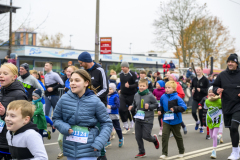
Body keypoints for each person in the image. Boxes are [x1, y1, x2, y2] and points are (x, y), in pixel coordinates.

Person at [53, 69, 113, 160]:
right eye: (71, 80)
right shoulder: (64, 99)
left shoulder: (95, 101)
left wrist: (100, 141)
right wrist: (65, 128)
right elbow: (56, 118)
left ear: (86, 83)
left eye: (77, 80)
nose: (72, 83)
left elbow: (107, 123)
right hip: (70, 148)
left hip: (89, 148)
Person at [78, 52, 109, 160]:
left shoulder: (100, 70)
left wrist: (93, 98)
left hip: (99, 105)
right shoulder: (84, 72)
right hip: (87, 105)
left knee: (98, 131)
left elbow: (105, 89)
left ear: (86, 61)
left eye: (81, 62)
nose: (80, 65)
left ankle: (101, 155)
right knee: (89, 132)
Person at [212, 53, 240, 159]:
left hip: (238, 104)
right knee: (232, 129)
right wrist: (216, 90)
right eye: (228, 62)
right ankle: (237, 148)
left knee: (234, 127)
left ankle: (235, 152)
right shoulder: (222, 75)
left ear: (236, 63)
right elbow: (215, 86)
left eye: (232, 62)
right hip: (227, 104)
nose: (230, 63)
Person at [0, 63, 27, 159]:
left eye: (5, 73)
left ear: (14, 77)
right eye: (0, 73)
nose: (1, 76)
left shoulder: (19, 95)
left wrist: (4, 114)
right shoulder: (2, 91)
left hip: (11, 141)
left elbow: (23, 120)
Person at [128, 79, 159, 158]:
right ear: (138, 86)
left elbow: (156, 104)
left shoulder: (150, 95)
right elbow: (134, 104)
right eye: (140, 86)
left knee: (146, 136)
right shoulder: (136, 95)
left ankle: (154, 139)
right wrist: (132, 107)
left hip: (147, 118)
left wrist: (149, 107)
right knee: (138, 136)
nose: (141, 87)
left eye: (143, 86)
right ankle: (142, 152)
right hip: (138, 118)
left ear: (147, 86)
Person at [158, 81, 187, 159]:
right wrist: (160, 109)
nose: (167, 89)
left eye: (169, 87)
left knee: (178, 136)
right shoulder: (163, 96)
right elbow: (160, 104)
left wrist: (175, 108)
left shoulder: (177, 98)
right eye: (166, 87)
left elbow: (184, 107)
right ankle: (164, 153)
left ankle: (181, 151)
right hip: (166, 120)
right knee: (164, 136)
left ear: (174, 89)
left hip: (176, 120)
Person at [200, 86, 223, 159]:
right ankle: (218, 138)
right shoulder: (207, 101)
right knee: (212, 135)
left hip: (217, 119)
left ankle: (214, 150)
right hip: (209, 119)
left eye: (212, 92)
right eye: (209, 92)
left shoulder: (220, 101)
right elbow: (206, 108)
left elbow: (223, 108)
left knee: (214, 134)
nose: (211, 94)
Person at [118, 61, 138, 134]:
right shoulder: (121, 74)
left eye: (123, 67)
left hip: (131, 95)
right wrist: (121, 89)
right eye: (121, 67)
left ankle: (137, 127)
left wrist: (129, 86)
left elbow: (136, 84)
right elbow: (122, 83)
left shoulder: (132, 74)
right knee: (121, 109)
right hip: (123, 95)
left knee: (133, 111)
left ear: (127, 67)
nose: (122, 68)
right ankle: (126, 127)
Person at [191, 67, 209, 133]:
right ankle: (197, 121)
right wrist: (192, 90)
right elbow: (191, 86)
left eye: (199, 70)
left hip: (202, 99)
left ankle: (201, 127)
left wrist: (201, 90)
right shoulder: (194, 79)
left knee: (201, 114)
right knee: (193, 112)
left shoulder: (205, 80)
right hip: (195, 98)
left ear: (202, 71)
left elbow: (208, 89)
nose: (198, 71)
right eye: (196, 70)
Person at [106, 83, 124, 148]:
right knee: (107, 128)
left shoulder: (116, 96)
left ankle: (121, 138)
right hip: (107, 114)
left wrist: (111, 107)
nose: (109, 90)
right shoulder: (106, 96)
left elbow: (117, 105)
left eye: (110, 89)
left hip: (114, 114)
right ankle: (107, 141)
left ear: (113, 89)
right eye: (108, 89)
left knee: (117, 128)